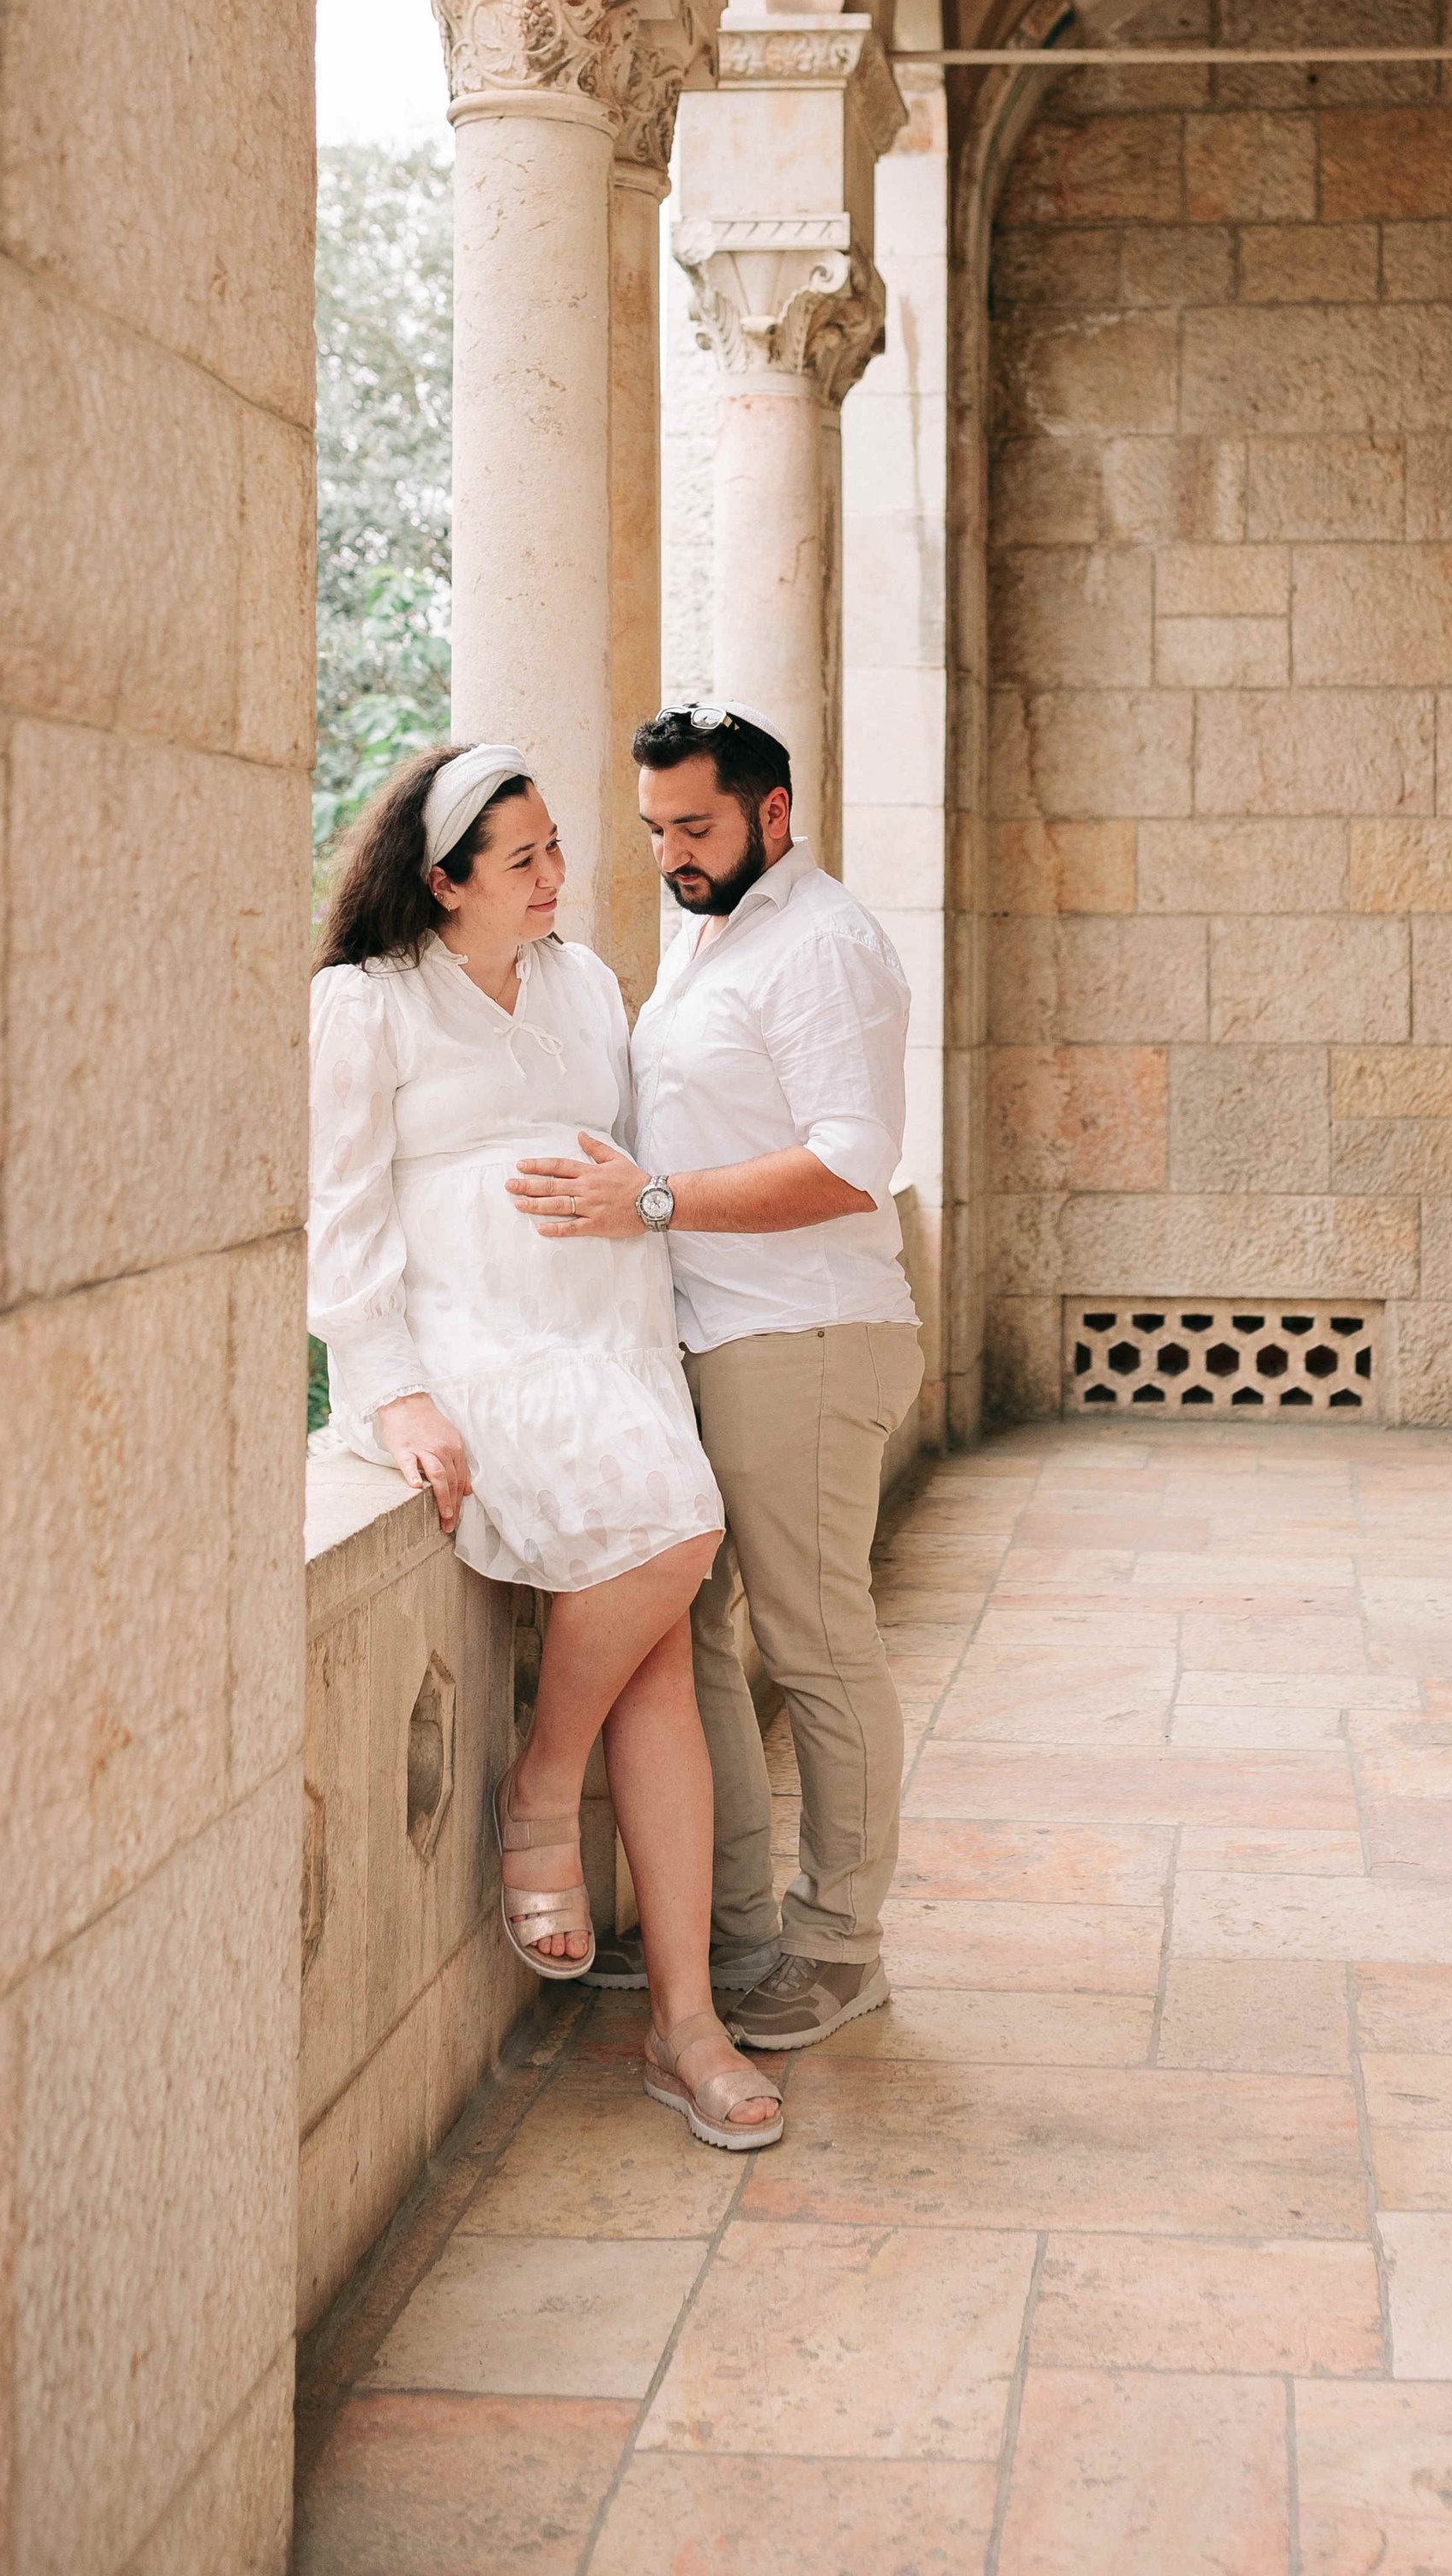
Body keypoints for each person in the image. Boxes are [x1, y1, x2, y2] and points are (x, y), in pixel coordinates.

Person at [306, 742, 782, 2151]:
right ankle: (667, 1997)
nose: (560, 879)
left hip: (610, 1347)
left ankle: (658, 1980)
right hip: (475, 1354)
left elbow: (635, 1159)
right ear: (443, 882)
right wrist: (393, 1391)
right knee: (676, 1548)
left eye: (560, 849)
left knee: (660, 1614)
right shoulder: (366, 1003)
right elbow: (342, 1219)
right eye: (524, 862)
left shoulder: (586, 983)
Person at [506, 703, 922, 2051]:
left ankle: (838, 1947)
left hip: (803, 1336)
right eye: (653, 830)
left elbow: (853, 1159)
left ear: (774, 812)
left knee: (817, 1644)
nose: (672, 854)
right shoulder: (713, 934)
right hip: (715, 1338)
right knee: (704, 1642)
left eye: (696, 825)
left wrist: (658, 1202)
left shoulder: (825, 946)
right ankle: (731, 1935)